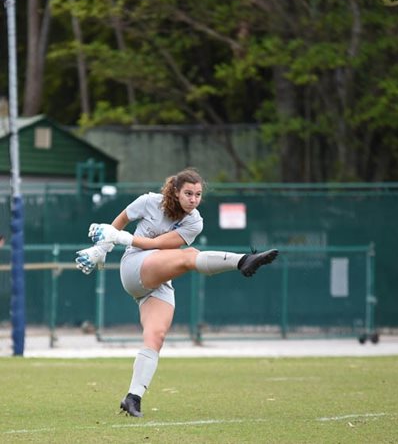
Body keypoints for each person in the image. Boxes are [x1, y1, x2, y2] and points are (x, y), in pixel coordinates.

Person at [75, 167, 278, 418]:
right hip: (134, 267)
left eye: (198, 194)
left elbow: (159, 245)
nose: (193, 199)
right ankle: (243, 261)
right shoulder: (149, 202)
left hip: (159, 277)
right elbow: (116, 225)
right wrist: (99, 251)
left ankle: (133, 397)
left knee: (156, 336)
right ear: (175, 191)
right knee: (190, 257)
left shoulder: (194, 221)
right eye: (188, 193)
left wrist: (121, 238)